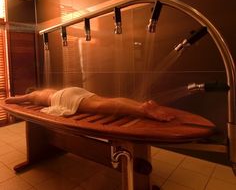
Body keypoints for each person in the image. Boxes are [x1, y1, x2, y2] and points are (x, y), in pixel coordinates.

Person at [5, 87, 175, 122]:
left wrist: (22, 97)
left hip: (62, 98)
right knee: (106, 101)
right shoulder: (47, 89)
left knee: (99, 108)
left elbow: (10, 101)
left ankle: (142, 109)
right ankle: (142, 105)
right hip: (72, 90)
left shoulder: (34, 95)